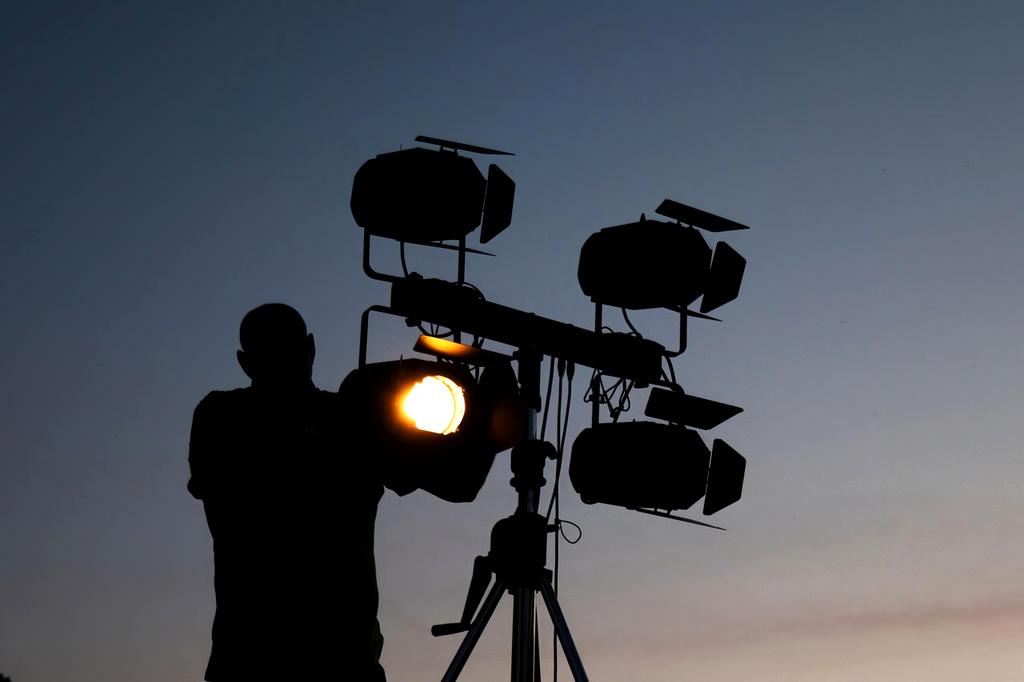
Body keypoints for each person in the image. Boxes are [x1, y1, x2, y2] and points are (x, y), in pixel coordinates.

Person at [188, 303, 387, 681]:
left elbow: (457, 484)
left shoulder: (348, 415)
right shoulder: (222, 416)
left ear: (244, 362)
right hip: (293, 659)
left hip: (282, 657)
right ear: (311, 347)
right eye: (272, 352)